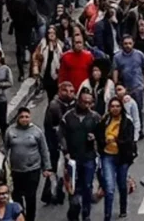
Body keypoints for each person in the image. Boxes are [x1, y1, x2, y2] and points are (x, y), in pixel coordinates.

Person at [60, 90, 100, 221]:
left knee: (87, 186)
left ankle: (86, 213)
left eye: (89, 102)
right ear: (78, 101)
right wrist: (65, 152)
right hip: (72, 159)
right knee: (73, 188)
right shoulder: (68, 117)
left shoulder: (95, 117)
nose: (87, 105)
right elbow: (61, 136)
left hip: (89, 157)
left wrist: (95, 137)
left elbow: (102, 135)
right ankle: (73, 211)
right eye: (84, 102)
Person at [4, 107, 49, 221]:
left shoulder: (37, 131)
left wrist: (46, 168)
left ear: (30, 118)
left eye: (27, 117)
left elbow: (44, 150)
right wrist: (2, 167)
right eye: (22, 117)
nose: (24, 119)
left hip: (33, 170)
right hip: (15, 171)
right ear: (17, 118)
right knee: (16, 197)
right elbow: (4, 149)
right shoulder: (10, 131)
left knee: (30, 197)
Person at [95, 97, 137, 221]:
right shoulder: (105, 120)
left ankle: (123, 209)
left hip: (122, 157)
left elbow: (129, 140)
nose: (115, 109)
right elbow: (98, 134)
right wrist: (103, 142)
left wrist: (116, 141)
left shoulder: (127, 122)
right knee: (110, 187)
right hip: (108, 156)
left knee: (122, 184)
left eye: (117, 106)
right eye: (112, 106)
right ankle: (107, 215)